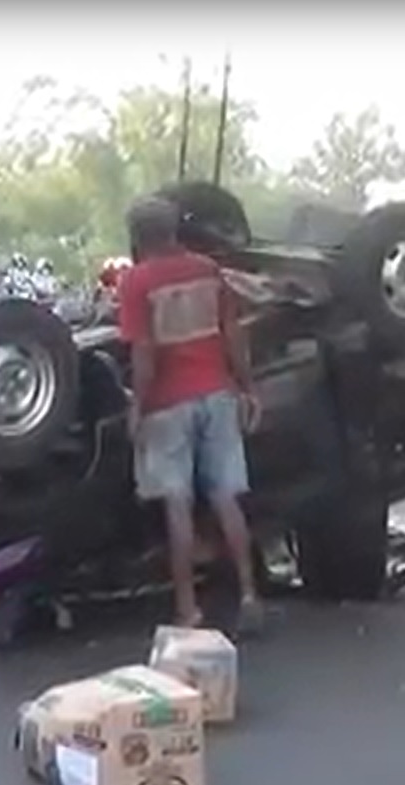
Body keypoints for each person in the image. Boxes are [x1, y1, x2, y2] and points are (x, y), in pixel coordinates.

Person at [117, 196, 263, 633]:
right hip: (217, 394)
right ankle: (251, 593)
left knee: (177, 504)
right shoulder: (207, 270)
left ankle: (188, 608)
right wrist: (248, 387)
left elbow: (144, 353)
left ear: (139, 237)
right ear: (175, 230)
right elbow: (233, 332)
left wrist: (137, 407)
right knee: (225, 497)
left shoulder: (137, 282)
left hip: (168, 405)